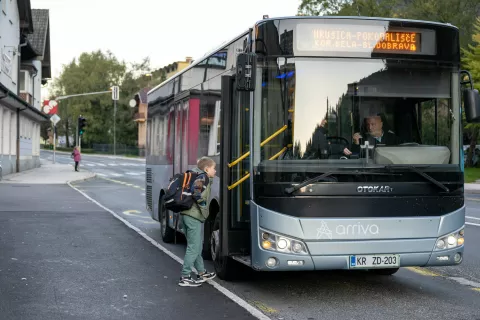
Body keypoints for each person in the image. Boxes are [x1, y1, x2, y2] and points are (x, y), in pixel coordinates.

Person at [178, 156, 217, 287]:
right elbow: (196, 193)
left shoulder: (196, 174)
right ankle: (185, 276)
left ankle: (201, 272)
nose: (215, 171)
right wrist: (204, 205)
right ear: (207, 169)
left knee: (196, 246)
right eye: (213, 168)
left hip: (187, 215)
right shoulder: (202, 177)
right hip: (192, 216)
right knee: (193, 248)